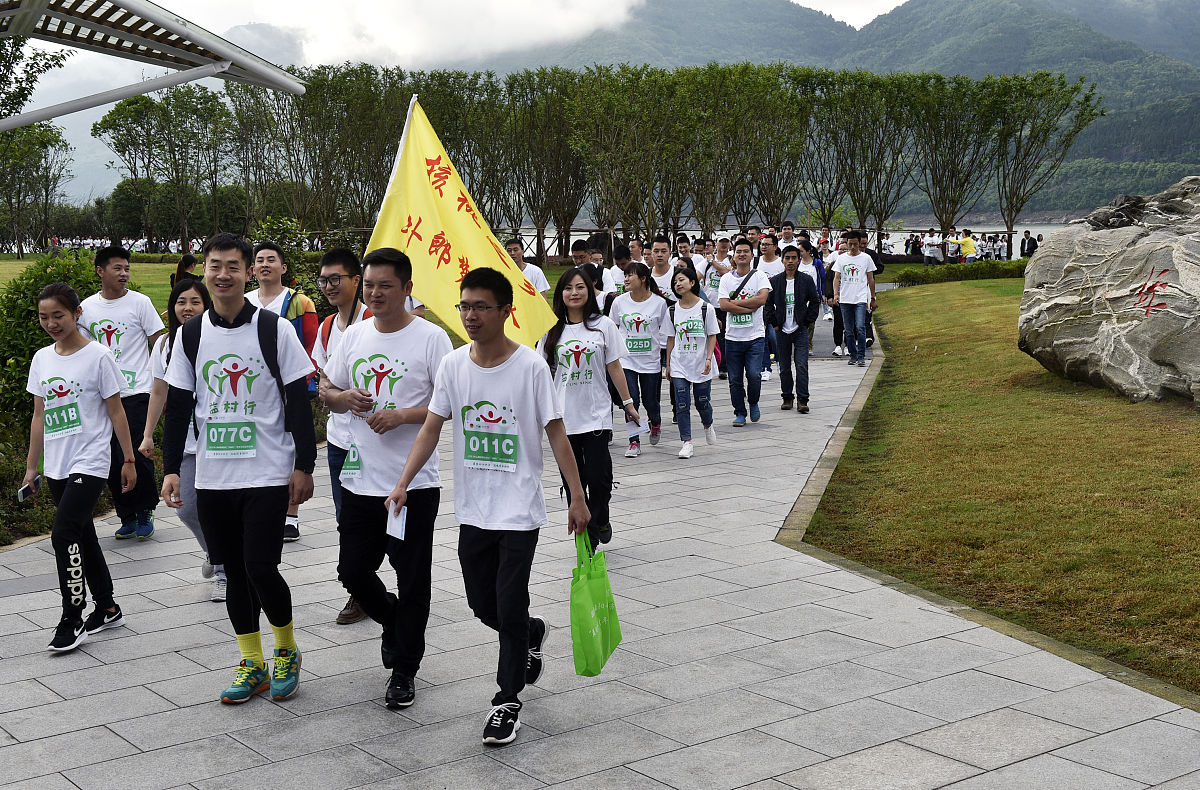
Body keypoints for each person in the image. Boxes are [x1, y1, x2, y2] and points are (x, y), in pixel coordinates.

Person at [386, 267, 591, 746]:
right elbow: (432, 427)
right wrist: (402, 483)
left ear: (505, 311)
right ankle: (531, 632)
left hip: (519, 509)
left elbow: (557, 434)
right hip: (474, 509)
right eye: (464, 306)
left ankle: (507, 700)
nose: (470, 315)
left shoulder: (531, 368)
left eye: (481, 306)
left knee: (510, 599)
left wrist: (578, 500)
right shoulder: (454, 367)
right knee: (483, 603)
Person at [161, 232, 317, 704]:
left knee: (261, 567)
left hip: (267, 472)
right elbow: (180, 406)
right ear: (203, 271)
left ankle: (286, 650)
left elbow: (297, 401)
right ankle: (252, 661)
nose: (223, 275)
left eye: (233, 266)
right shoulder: (190, 334)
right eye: (214, 266)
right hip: (213, 475)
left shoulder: (275, 329)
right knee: (231, 568)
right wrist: (171, 469)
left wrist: (304, 466)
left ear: (248, 271)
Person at [323, 247, 452, 710]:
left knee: (412, 577)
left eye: (386, 286)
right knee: (352, 570)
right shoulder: (354, 336)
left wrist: (402, 416)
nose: (375, 293)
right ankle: (393, 620)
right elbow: (327, 389)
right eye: (370, 284)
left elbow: (447, 403)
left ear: (407, 289)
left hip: (412, 484)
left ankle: (405, 669)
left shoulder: (432, 339)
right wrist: (346, 398)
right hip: (359, 480)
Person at [26, 283, 135, 653]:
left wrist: (129, 459)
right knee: (82, 533)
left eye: (58, 315)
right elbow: (39, 416)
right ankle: (107, 606)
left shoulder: (98, 356)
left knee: (63, 533)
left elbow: (116, 410)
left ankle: (73, 617)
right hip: (56, 464)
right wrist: (31, 468)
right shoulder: (42, 359)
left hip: (90, 460)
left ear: (76, 313)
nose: (52, 323)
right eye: (44, 317)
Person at [539, 267, 639, 547]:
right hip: (562, 419)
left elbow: (615, 366)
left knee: (599, 481)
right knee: (575, 485)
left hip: (596, 417)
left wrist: (628, 403)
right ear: (561, 293)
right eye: (568, 288)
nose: (574, 293)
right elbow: (542, 374)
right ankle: (588, 544)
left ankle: (602, 517)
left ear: (589, 290)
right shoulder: (550, 329)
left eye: (580, 287)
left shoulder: (603, 324)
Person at [140, 279, 225, 602]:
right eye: (181, 302)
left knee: (218, 508)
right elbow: (159, 392)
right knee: (186, 507)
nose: (187, 308)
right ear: (172, 308)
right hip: (187, 441)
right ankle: (216, 552)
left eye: (195, 302)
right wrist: (148, 434)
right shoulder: (164, 345)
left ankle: (224, 569)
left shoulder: (218, 338)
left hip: (220, 441)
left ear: (207, 305)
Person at [79, 246, 164, 540]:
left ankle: (145, 511)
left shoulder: (140, 303)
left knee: (137, 453)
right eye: (117, 268)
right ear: (100, 271)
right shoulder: (87, 308)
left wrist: (159, 381)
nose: (124, 274)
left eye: (127, 268)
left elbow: (158, 342)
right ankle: (126, 514)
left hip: (136, 391)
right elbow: (83, 350)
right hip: (104, 396)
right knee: (112, 457)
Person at [312, 248, 371, 626]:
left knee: (384, 520)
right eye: (324, 280)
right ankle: (360, 590)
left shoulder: (375, 321)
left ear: (356, 280)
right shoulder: (326, 327)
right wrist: (337, 396)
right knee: (344, 517)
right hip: (339, 442)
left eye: (336, 279)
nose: (330, 286)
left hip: (377, 441)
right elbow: (323, 382)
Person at [246, 241, 318, 542]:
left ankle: (291, 515)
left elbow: (311, 346)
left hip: (290, 387)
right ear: (252, 269)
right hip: (254, 389)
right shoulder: (244, 301)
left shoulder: (300, 303)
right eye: (259, 260)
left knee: (290, 448)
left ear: (283, 268)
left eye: (271, 260)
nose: (265, 265)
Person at [609, 263, 670, 456]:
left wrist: (666, 360)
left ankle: (656, 421)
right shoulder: (619, 302)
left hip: (650, 362)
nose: (626, 279)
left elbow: (666, 331)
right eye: (625, 275)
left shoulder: (659, 303)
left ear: (643, 279)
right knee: (631, 400)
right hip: (626, 362)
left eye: (630, 276)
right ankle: (634, 441)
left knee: (651, 402)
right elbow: (613, 329)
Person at [664, 268, 719, 458]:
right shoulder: (671, 310)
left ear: (693, 283)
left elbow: (711, 336)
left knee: (702, 402)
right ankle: (686, 442)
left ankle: (708, 424)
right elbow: (671, 338)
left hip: (701, 362)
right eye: (675, 282)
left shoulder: (706, 308)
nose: (678, 284)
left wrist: (709, 358)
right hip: (680, 363)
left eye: (681, 280)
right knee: (682, 403)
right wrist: (669, 364)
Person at [719, 239, 772, 426]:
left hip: (755, 337)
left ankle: (754, 402)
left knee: (754, 374)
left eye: (745, 251)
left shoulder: (759, 276)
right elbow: (724, 305)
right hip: (733, 338)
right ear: (734, 256)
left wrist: (736, 304)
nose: (742, 254)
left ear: (751, 255)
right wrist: (748, 307)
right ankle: (740, 412)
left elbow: (762, 300)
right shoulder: (726, 279)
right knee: (734, 379)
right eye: (738, 251)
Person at [768, 246, 822, 413]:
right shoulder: (775, 281)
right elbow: (768, 305)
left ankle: (802, 399)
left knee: (801, 365)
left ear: (799, 260)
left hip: (800, 329)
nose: (790, 261)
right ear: (782, 260)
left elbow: (814, 301)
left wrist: (807, 322)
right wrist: (774, 323)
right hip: (781, 330)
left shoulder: (806, 280)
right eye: (787, 258)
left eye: (794, 258)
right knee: (783, 365)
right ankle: (787, 397)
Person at [832, 232, 878, 368]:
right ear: (846, 243)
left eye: (855, 244)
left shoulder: (866, 258)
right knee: (849, 329)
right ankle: (853, 355)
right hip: (845, 298)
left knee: (860, 326)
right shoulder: (841, 259)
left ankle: (861, 356)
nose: (852, 247)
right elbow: (836, 277)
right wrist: (836, 294)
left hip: (860, 298)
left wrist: (873, 297)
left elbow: (871, 279)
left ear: (860, 244)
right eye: (850, 244)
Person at [648, 235, 676, 301]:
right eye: (656, 251)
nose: (659, 255)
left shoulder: (679, 274)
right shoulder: (645, 276)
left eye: (663, 251)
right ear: (651, 253)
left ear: (670, 253)